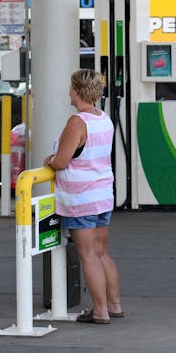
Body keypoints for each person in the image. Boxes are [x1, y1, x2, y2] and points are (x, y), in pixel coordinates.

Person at [43, 69, 121, 324]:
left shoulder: (78, 122)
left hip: (81, 199)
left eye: (70, 88)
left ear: (76, 90)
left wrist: (50, 160)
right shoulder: (105, 118)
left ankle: (100, 311)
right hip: (102, 195)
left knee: (87, 255)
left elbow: (62, 160)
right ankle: (114, 305)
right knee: (101, 253)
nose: (68, 92)